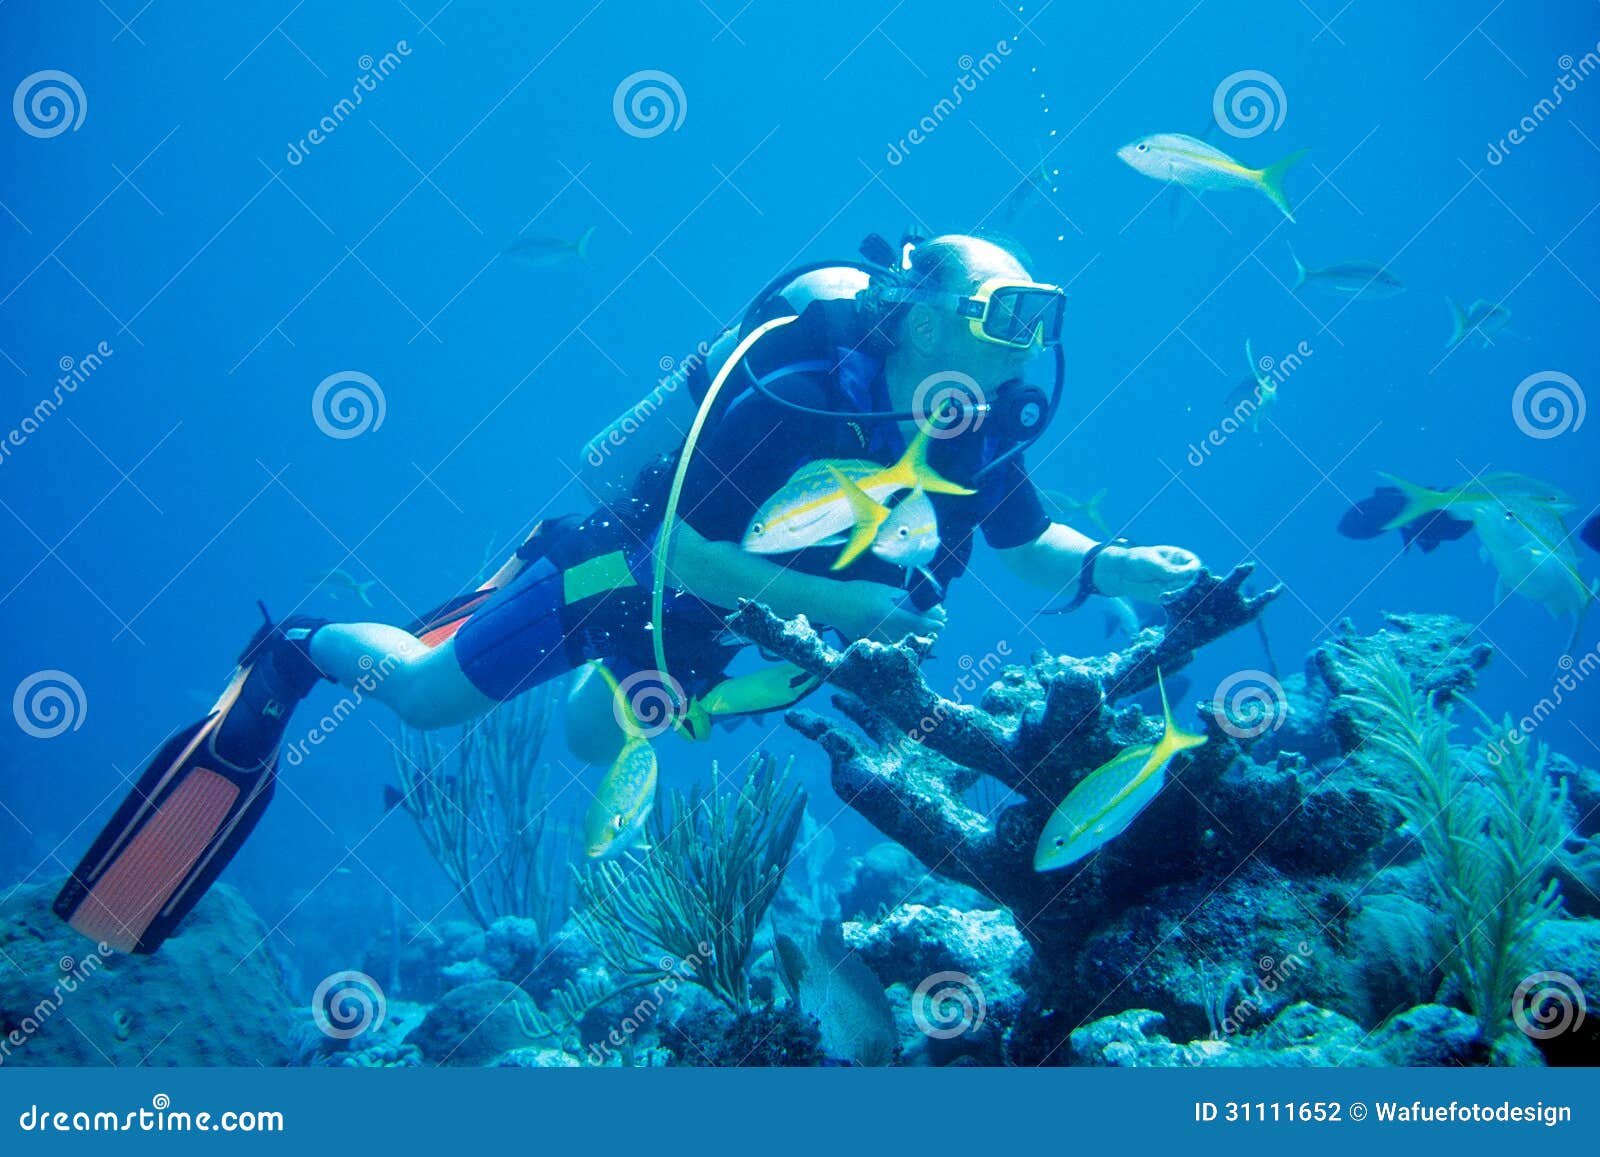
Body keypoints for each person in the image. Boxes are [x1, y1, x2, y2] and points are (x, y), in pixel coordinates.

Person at [54, 231, 1201, 953]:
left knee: (593, 739)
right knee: (427, 700)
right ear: (926, 313)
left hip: (718, 630)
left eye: (1040, 318)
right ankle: (300, 646)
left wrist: (1115, 565)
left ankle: (509, 630)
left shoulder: (977, 424)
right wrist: (856, 611)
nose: (1026, 344)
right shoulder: (795, 394)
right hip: (628, 571)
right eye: (1005, 314)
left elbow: (1028, 542)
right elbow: (687, 553)